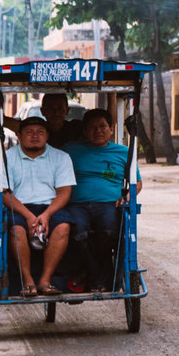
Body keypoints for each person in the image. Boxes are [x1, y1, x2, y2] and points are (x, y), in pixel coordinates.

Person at [0, 116, 78, 297]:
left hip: (51, 207)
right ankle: (27, 281)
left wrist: (47, 215)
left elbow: (64, 193)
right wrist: (29, 216)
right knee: (16, 229)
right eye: (29, 132)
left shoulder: (61, 157)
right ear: (18, 135)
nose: (35, 136)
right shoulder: (6, 158)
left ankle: (45, 280)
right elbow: (4, 193)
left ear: (47, 135)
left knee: (63, 227)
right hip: (19, 207)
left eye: (40, 132)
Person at [65, 109, 136, 291]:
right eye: (93, 127)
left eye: (103, 126)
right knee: (78, 233)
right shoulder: (70, 150)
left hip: (108, 204)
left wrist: (125, 197)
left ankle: (91, 274)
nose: (98, 130)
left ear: (111, 129)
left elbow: (138, 183)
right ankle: (97, 275)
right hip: (76, 204)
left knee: (109, 232)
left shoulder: (123, 152)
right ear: (85, 131)